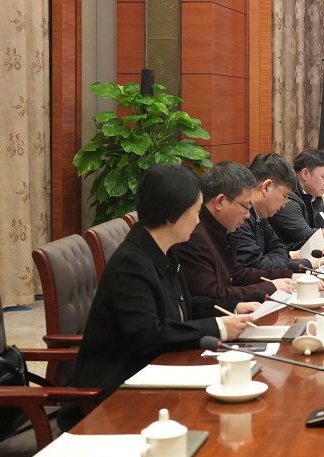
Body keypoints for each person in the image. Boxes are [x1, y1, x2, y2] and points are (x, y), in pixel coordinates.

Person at [65, 165, 257, 427]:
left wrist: (233, 308)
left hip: (154, 373)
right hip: (114, 395)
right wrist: (218, 327)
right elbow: (149, 336)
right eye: (195, 213)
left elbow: (181, 305)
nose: (198, 221)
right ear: (173, 213)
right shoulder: (131, 264)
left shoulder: (162, 250)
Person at [173, 161, 296, 302]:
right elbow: (210, 295)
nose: (248, 215)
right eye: (246, 206)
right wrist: (270, 287)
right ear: (220, 202)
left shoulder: (218, 228)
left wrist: (287, 275)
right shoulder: (192, 236)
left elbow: (237, 273)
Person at [230, 152, 319, 271]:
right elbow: (255, 265)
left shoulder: (260, 215)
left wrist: (269, 258)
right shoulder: (239, 217)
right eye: (285, 196)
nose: (284, 204)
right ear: (266, 187)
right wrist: (304, 263)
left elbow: (279, 247)